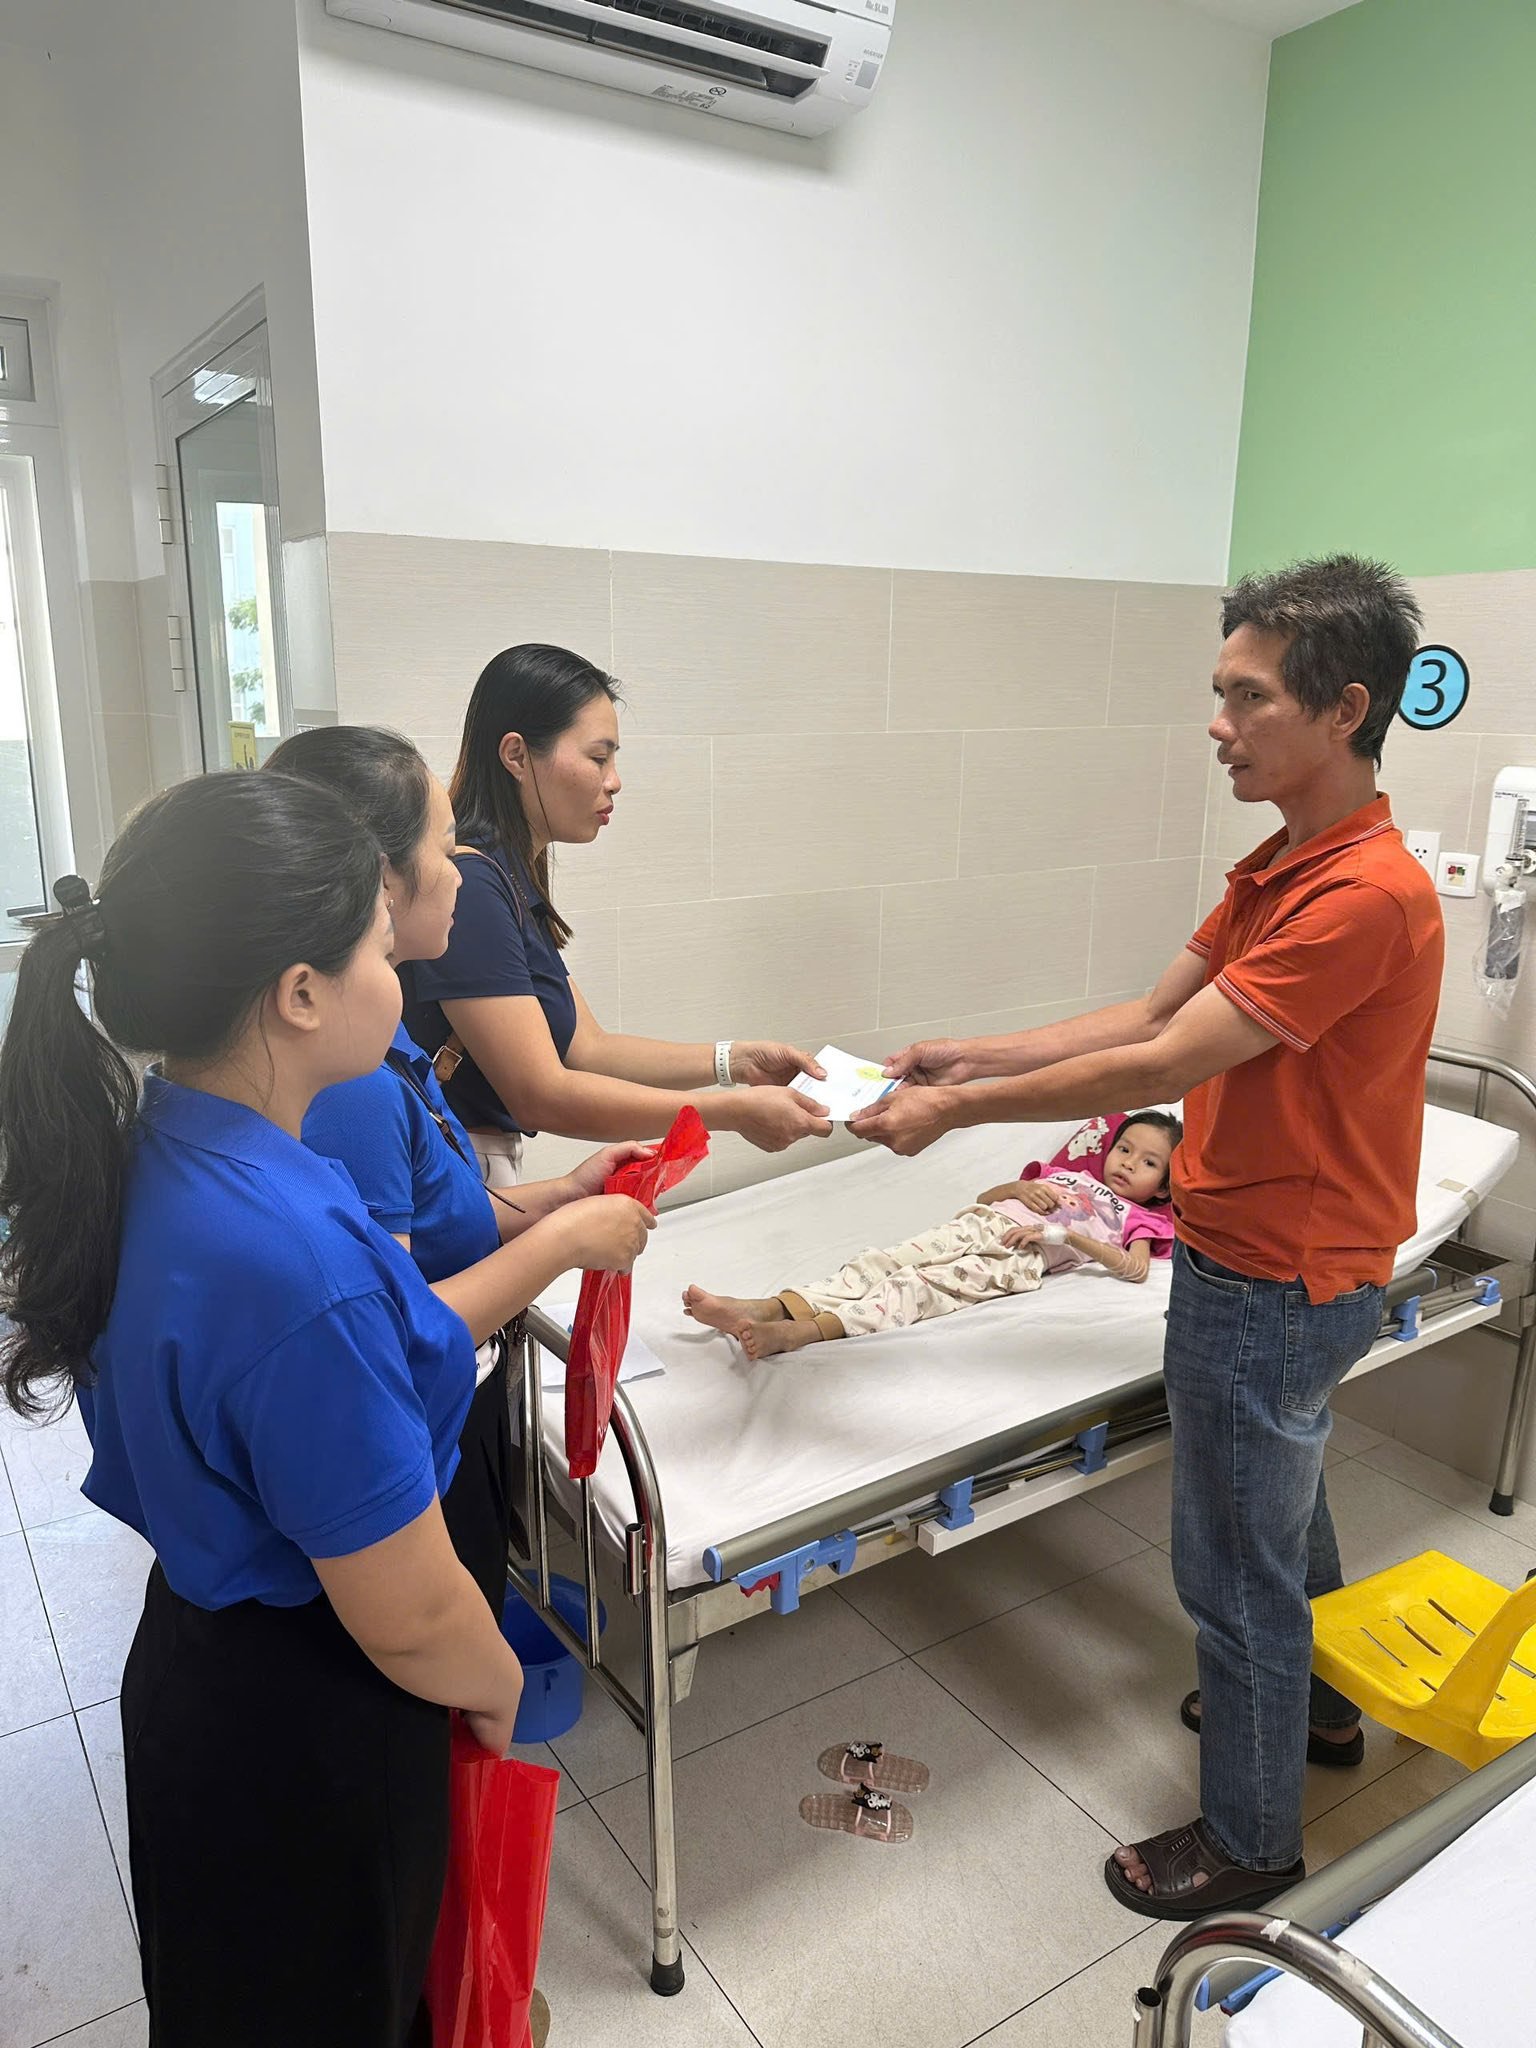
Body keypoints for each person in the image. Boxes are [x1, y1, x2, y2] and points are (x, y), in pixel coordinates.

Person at [851, 556, 1443, 1919]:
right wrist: (970, 1054)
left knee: (1233, 1571)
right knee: (1280, 1509)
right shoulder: (1282, 865)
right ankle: (1319, 1711)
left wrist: (956, 1114)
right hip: (1267, 1263)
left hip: (1275, 1275)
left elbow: (1171, 1058)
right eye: (1219, 694)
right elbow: (1145, 1014)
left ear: (1344, 709)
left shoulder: (1363, 895)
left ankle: (1251, 1843)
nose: (1219, 725)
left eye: (1249, 697)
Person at [0, 773, 528, 2047]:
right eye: (377, 946)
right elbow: (410, 1612)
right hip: (310, 1722)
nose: (397, 970)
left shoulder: (165, 1143)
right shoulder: (288, 1257)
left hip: (199, 1671)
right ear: (301, 991)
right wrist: (499, 1680)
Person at [268, 725, 657, 1615]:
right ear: (378, 884)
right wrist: (566, 1240)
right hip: (411, 1443)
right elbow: (396, 1335)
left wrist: (564, 1193)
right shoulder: (353, 1087)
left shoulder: (386, 1045)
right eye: (445, 850)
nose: (460, 873)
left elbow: (443, 1208)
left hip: (452, 1406)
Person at [399, 643, 832, 1185]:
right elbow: (541, 1094)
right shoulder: (474, 886)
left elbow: (588, 1048)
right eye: (598, 758)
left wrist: (734, 1062)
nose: (614, 780)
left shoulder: (508, 876)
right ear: (516, 756)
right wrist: (732, 1113)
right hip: (461, 1170)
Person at [682, 1111, 1181, 1357]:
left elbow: (1135, 1269)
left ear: (1164, 1186)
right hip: (981, 1221)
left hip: (1020, 1256)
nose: (1128, 1163)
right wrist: (1017, 1188)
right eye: (1124, 1149)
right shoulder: (1064, 1174)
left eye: (1148, 1162)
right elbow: (987, 1196)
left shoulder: (1139, 1218)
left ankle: (804, 1332)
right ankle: (767, 1307)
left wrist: (1063, 1237)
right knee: (881, 1262)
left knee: (917, 1287)